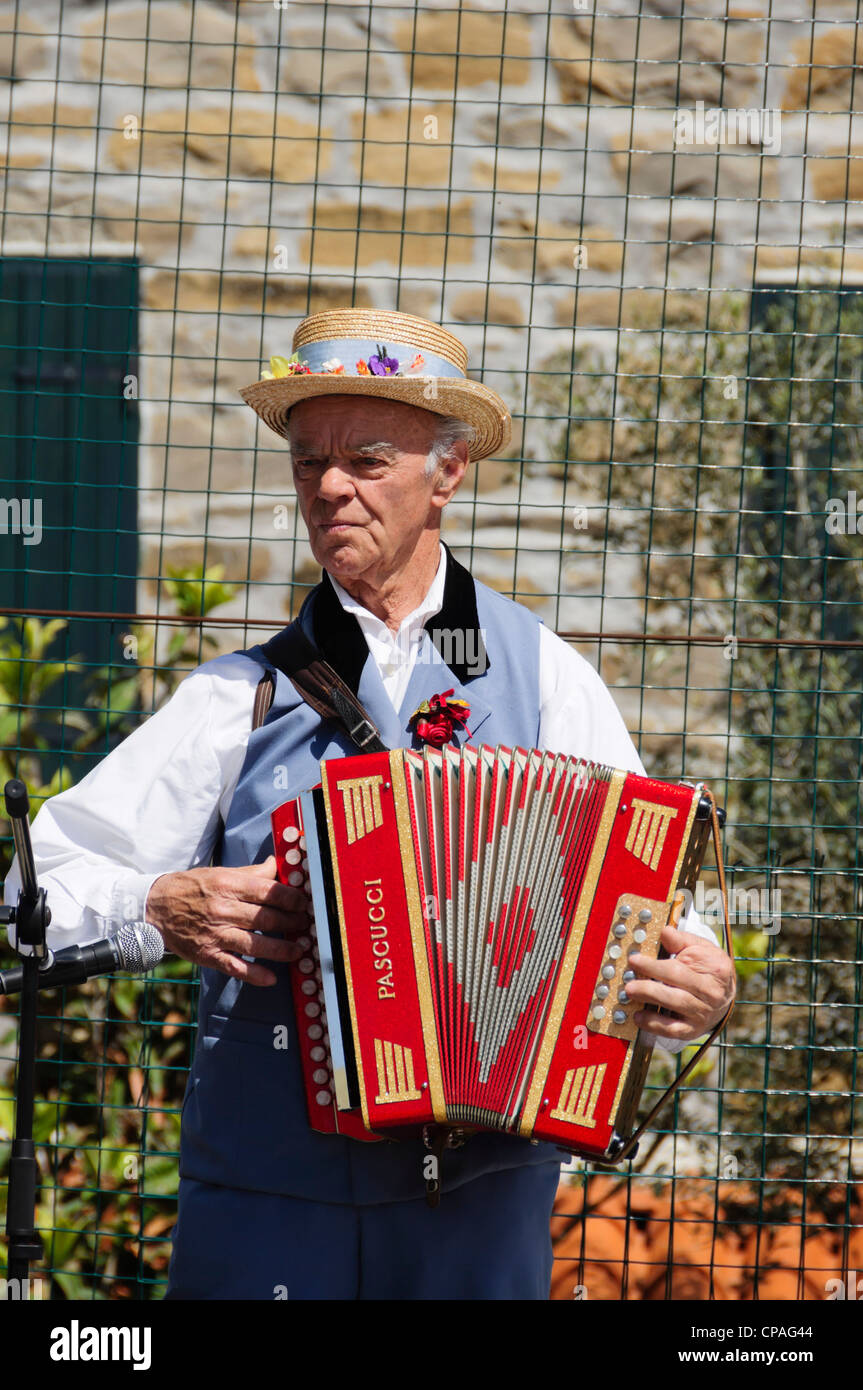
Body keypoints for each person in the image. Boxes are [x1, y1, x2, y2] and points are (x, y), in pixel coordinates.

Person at [4, 308, 735, 1300]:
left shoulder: (551, 681)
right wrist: (158, 907)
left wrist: (695, 991)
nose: (330, 486)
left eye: (367, 456)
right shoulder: (238, 696)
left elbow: (654, 937)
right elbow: (26, 900)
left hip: (479, 1228)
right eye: (309, 461)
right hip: (269, 1218)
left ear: (448, 473)